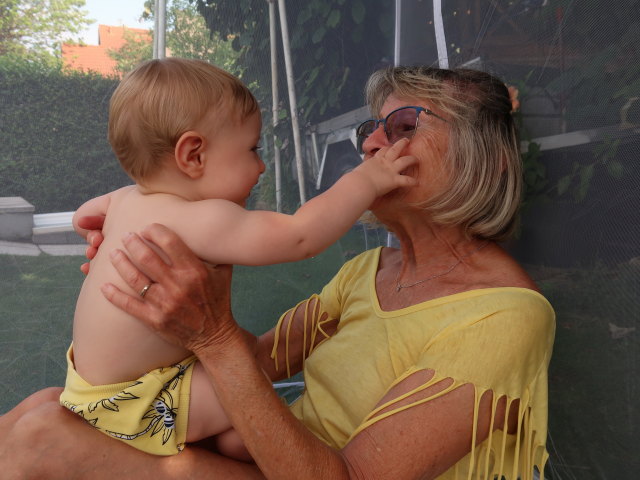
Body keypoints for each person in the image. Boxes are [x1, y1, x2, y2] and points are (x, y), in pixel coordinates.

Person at [0, 65, 555, 480]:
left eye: (403, 124)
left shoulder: (503, 316)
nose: (371, 143)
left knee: (44, 438)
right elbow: (258, 362)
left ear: (490, 158)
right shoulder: (368, 272)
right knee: (45, 406)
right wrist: (171, 308)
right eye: (372, 128)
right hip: (271, 454)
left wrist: (212, 334)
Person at [60, 57, 417, 458]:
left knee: (236, 426)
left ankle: (225, 442)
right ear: (193, 155)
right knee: (252, 387)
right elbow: (300, 236)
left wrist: (97, 231)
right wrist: (365, 180)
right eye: (252, 149)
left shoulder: (127, 198)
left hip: (93, 387)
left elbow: (84, 216)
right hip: (139, 404)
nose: (262, 166)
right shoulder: (202, 219)